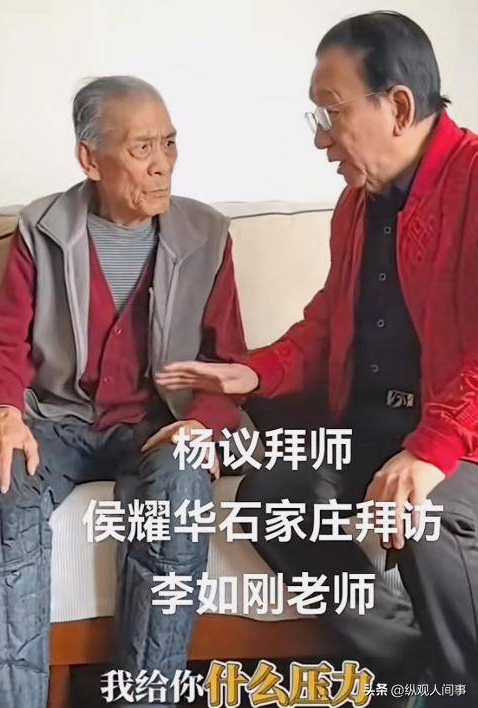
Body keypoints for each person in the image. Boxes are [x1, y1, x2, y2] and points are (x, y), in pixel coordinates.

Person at [156, 12, 478, 703]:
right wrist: (256, 372)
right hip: (373, 428)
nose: (322, 137)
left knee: (424, 516)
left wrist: (431, 449)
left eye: (331, 113)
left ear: (398, 107)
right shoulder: (356, 205)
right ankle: (417, 675)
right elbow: (329, 326)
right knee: (271, 497)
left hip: (459, 441)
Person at [0, 75, 250, 707]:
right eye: (141, 148)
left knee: (183, 481)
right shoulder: (42, 228)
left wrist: (202, 425)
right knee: (1, 478)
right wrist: (3, 411)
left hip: (160, 425)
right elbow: (6, 342)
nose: (162, 164)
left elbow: (229, 363)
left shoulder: (208, 234)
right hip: (56, 421)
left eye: (169, 143)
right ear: (90, 158)